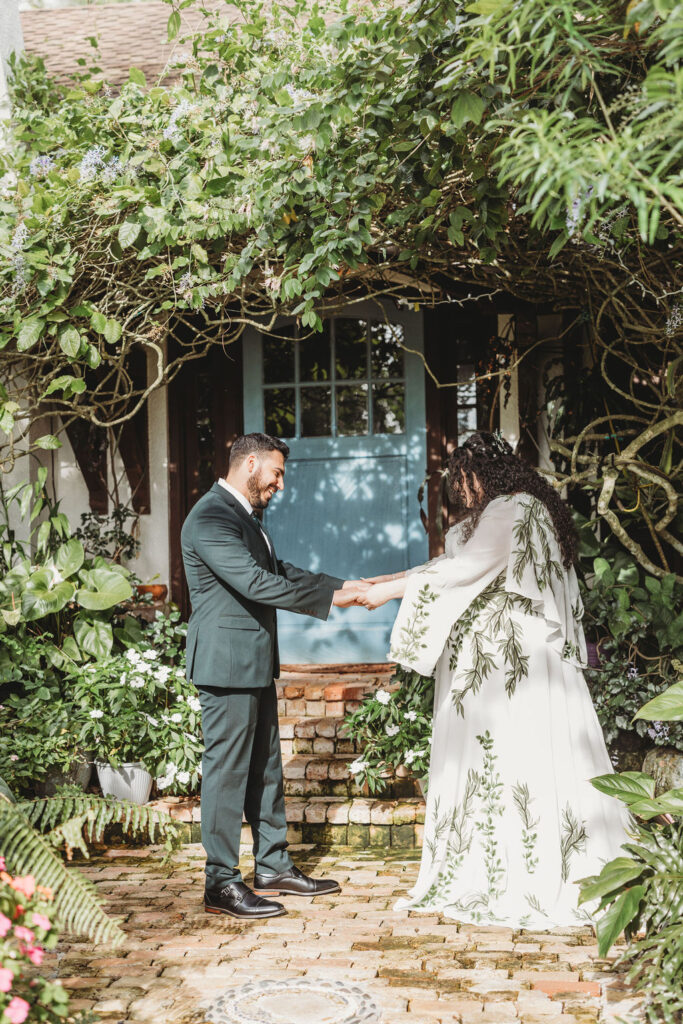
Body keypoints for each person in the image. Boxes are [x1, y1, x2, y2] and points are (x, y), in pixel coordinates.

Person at [358, 431, 631, 928]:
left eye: (462, 479)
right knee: (494, 755)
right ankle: (493, 854)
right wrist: (382, 583)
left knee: (516, 751)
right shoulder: (498, 512)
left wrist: (391, 591)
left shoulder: (514, 507)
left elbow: (468, 568)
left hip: (509, 661)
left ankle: (524, 867)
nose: (459, 492)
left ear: (483, 473)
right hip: (486, 662)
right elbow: (446, 565)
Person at [182, 432, 368, 920]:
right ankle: (220, 882)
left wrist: (343, 586)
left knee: (265, 770)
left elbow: (278, 568)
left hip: (254, 663)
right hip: (224, 667)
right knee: (226, 775)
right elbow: (255, 582)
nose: (280, 484)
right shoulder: (210, 516)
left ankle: (273, 866)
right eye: (276, 473)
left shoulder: (245, 518)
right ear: (249, 464)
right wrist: (332, 601)